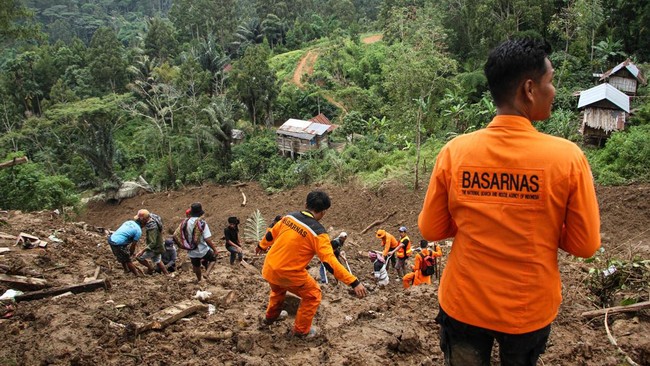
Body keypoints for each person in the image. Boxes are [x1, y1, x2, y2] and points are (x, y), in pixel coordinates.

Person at [418, 38, 601, 366]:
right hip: (527, 310)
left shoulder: (455, 152)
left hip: (464, 304)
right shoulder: (567, 158)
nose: (554, 89)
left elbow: (431, 228)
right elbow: (585, 245)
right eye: (551, 81)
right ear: (529, 90)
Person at [256, 191, 367, 338]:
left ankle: (270, 317)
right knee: (313, 295)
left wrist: (262, 245)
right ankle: (301, 331)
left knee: (278, 291)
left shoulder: (289, 217)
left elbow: (271, 233)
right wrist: (353, 282)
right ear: (323, 212)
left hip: (269, 267)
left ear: (306, 204)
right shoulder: (319, 233)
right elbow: (329, 262)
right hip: (289, 273)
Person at [107, 211, 149, 276]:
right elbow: (133, 245)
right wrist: (131, 254)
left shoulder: (129, 222)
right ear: (143, 222)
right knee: (127, 260)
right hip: (118, 243)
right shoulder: (138, 231)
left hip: (111, 239)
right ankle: (137, 274)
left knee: (121, 255)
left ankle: (126, 269)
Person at [186, 203, 219, 282]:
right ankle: (206, 274)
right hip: (202, 249)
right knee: (213, 259)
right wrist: (214, 249)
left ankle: (199, 280)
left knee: (196, 266)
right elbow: (207, 239)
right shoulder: (202, 223)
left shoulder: (186, 223)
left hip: (191, 250)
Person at [135, 210, 167, 275]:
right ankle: (167, 274)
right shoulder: (153, 219)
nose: (139, 221)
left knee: (138, 257)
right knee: (158, 260)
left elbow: (152, 243)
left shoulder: (152, 227)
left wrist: (142, 251)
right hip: (159, 245)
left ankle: (150, 268)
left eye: (140, 219)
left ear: (145, 219)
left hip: (155, 248)